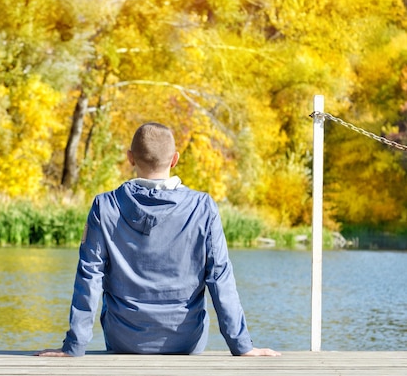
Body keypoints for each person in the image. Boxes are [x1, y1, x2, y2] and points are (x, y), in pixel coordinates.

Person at [37, 122, 280, 357]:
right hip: (186, 340)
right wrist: (242, 346)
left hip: (124, 340)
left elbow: (89, 277)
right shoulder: (203, 207)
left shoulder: (105, 206)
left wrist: (74, 346)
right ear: (175, 159)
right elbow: (220, 277)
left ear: (130, 157)